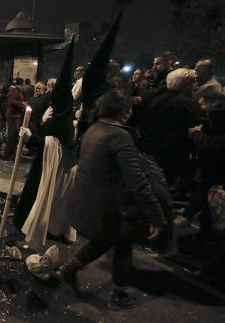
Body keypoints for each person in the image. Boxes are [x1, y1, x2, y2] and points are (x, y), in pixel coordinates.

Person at [59, 89, 166, 310]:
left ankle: (70, 270)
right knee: (123, 244)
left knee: (104, 240)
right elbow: (137, 181)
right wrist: (155, 216)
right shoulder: (120, 136)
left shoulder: (94, 129)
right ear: (125, 112)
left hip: (90, 202)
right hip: (111, 206)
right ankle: (119, 294)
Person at [138, 68, 202, 185]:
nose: (195, 86)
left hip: (149, 149)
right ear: (186, 85)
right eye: (193, 82)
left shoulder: (153, 97)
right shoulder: (187, 103)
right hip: (173, 154)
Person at [187, 92, 225, 240]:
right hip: (212, 166)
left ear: (214, 103)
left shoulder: (217, 120)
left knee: (209, 199)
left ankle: (207, 235)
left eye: (202, 104)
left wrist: (197, 134)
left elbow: (213, 144)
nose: (200, 108)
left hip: (215, 166)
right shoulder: (213, 119)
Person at [1, 84, 26, 160]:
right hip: (13, 116)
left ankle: (10, 154)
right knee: (12, 136)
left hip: (14, 116)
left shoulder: (16, 91)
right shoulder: (14, 91)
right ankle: (8, 155)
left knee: (13, 136)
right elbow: (12, 101)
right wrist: (22, 104)